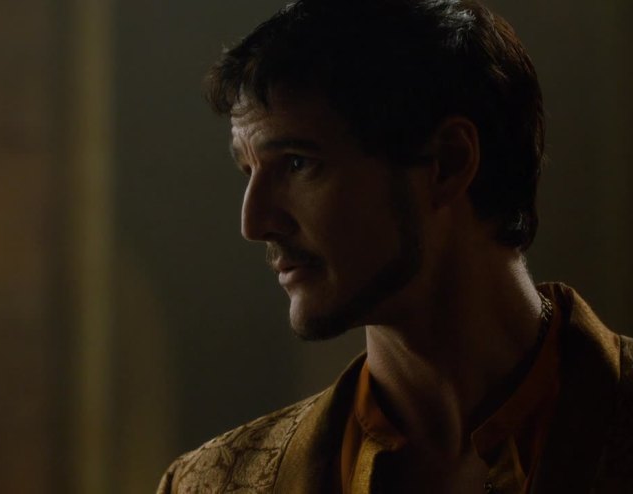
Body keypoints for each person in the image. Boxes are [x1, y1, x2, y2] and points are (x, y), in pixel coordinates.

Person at [158, 0, 633, 492]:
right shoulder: (208, 484)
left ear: (447, 163)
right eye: (248, 170)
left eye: (298, 163)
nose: (254, 223)